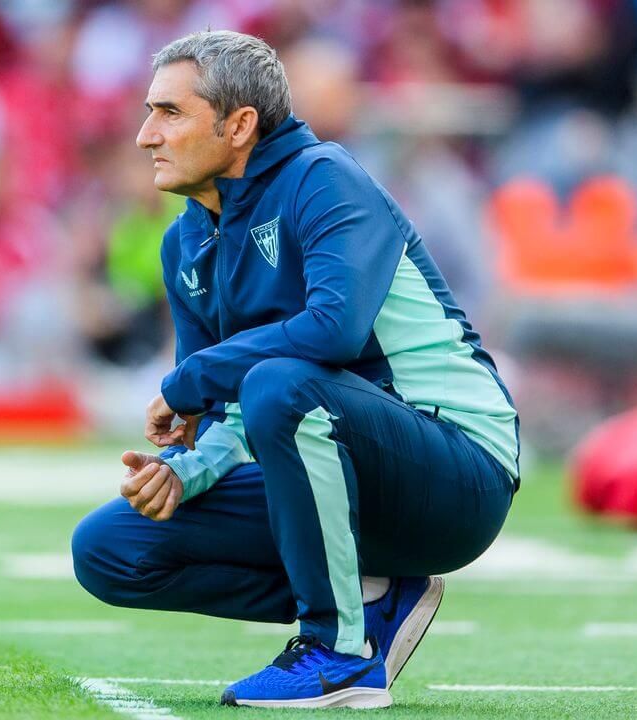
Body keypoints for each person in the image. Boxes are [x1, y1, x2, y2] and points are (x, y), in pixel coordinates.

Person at [71, 30, 518, 710]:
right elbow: (223, 412)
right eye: (147, 112)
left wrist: (187, 383)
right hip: (338, 465)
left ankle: (337, 653)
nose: (144, 136)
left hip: (459, 471)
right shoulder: (184, 240)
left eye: (169, 112)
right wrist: (185, 469)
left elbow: (331, 332)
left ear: (239, 125)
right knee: (108, 548)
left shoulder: (324, 178)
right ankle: (374, 592)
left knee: (282, 383)